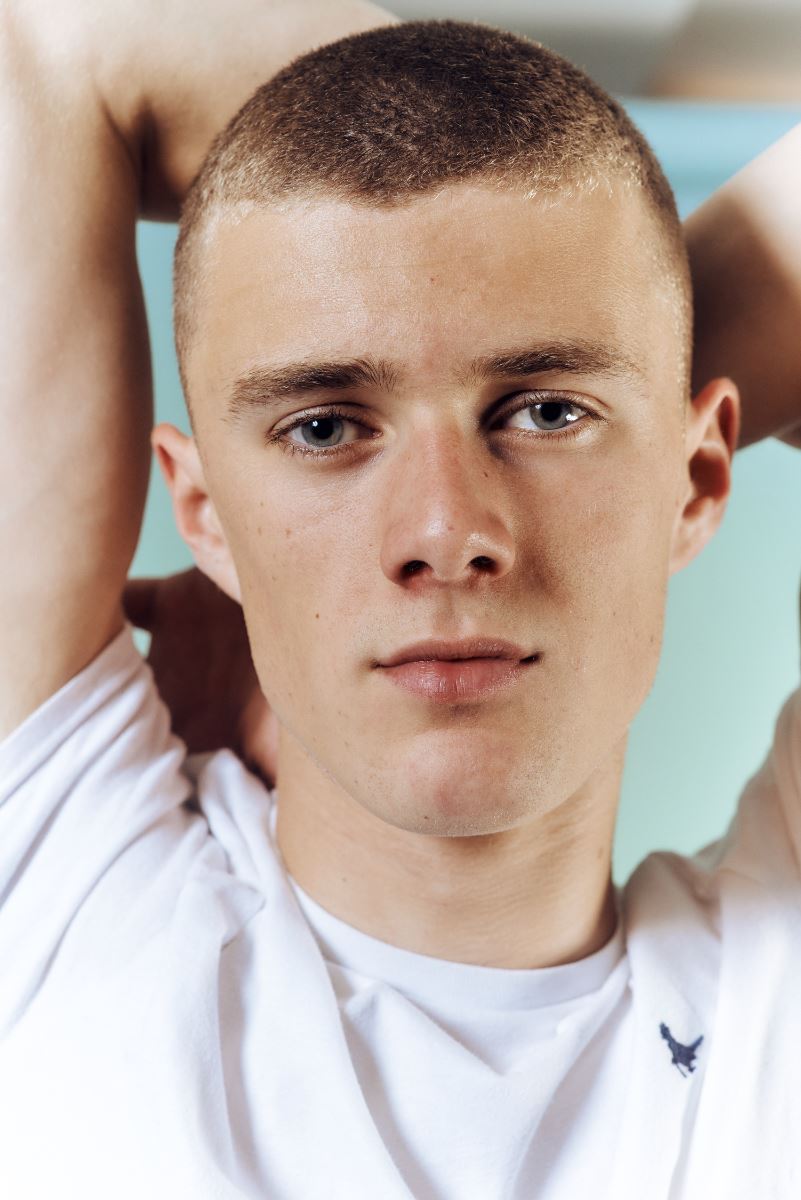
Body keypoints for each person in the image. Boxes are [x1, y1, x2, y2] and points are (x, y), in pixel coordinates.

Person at [2, 3, 800, 1197]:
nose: (443, 534)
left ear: (696, 478)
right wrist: (593, 309)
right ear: (206, 513)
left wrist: (616, 260)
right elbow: (56, 39)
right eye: (325, 429)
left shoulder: (773, 998)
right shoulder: (48, 886)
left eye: (546, 411)